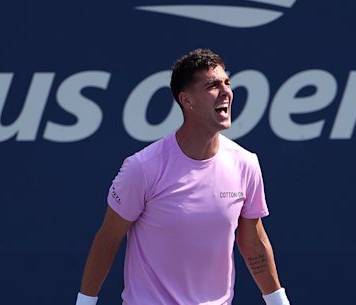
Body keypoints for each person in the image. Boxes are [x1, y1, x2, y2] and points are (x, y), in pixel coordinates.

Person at [76, 48, 290, 305]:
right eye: (212, 85)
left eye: (227, 82)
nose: (225, 91)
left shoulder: (246, 164)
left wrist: (279, 302)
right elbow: (108, 239)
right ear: (187, 101)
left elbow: (253, 241)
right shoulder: (142, 167)